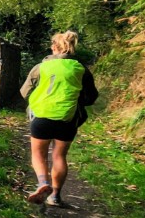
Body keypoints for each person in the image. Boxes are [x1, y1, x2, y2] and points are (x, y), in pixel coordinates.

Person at [20, 31, 99, 207]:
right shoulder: (81, 69)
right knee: (59, 156)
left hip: (41, 116)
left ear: (55, 47)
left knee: (39, 155)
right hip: (68, 118)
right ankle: (55, 196)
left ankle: (43, 183)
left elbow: (24, 92)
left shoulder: (41, 67)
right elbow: (91, 97)